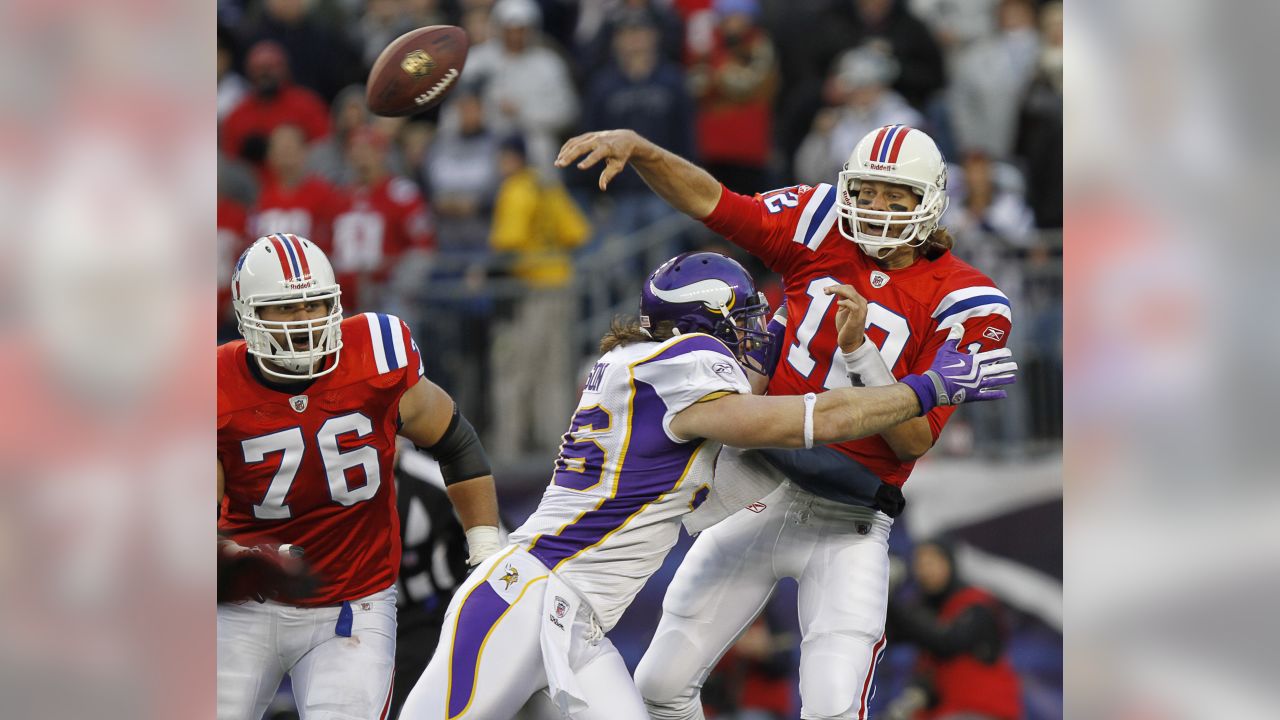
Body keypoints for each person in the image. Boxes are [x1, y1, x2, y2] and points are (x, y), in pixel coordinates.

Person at [397, 251, 1015, 719]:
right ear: (703, 326)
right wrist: (926, 388)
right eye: (744, 319)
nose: (759, 332)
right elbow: (808, 421)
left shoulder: (638, 367)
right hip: (525, 597)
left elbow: (747, 474)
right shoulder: (687, 362)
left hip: (575, 622)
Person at [555, 124, 1014, 719]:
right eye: (867, 192)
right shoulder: (819, 222)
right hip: (758, 487)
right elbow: (715, 204)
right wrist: (645, 150)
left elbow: (913, 439)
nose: (875, 209)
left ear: (927, 203)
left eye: (894, 197)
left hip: (849, 518)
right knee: (660, 686)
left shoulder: (967, 297)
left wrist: (859, 354)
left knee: (831, 707)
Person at [216, 234, 503, 720]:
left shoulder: (375, 355)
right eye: (285, 310)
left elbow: (456, 441)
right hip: (242, 605)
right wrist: (246, 559)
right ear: (248, 315)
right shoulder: (214, 387)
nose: (304, 321)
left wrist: (486, 549)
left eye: (314, 304)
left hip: (351, 605)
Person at [882, 540, 1021, 720]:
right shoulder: (926, 609)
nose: (925, 570)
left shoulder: (976, 603)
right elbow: (891, 635)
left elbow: (947, 641)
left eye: (932, 562)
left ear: (950, 563)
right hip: (944, 712)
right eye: (920, 564)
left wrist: (890, 601)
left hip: (983, 710)